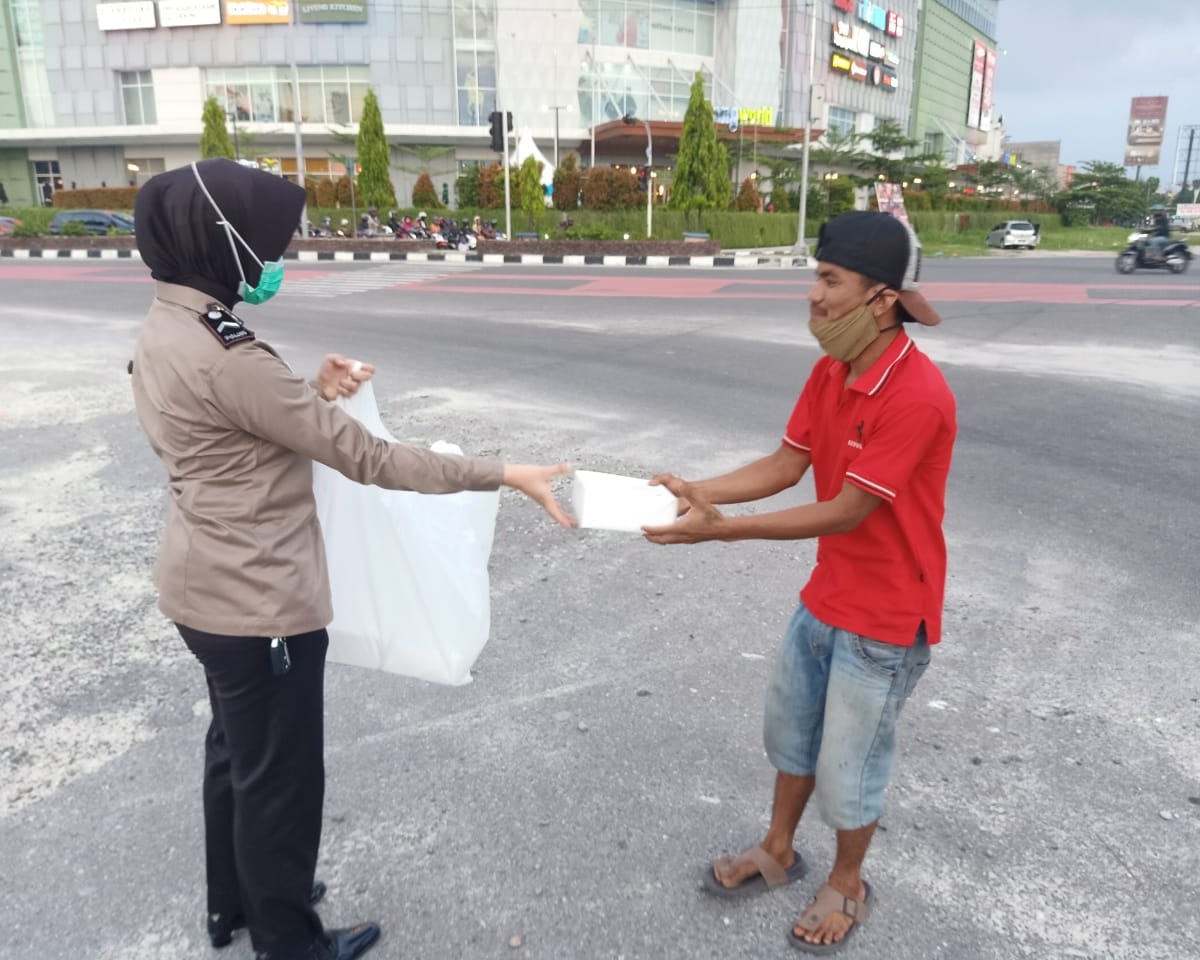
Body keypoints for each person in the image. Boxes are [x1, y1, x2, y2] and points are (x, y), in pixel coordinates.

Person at [129, 158, 574, 960]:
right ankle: (288, 941)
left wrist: (307, 392)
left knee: (235, 754)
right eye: (265, 245)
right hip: (259, 603)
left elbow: (233, 418)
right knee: (280, 784)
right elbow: (372, 460)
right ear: (217, 240)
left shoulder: (171, 323)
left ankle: (236, 904)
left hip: (200, 589)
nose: (275, 259)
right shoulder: (228, 353)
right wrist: (505, 475)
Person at [643, 211, 957, 954]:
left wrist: (723, 530)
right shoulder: (831, 371)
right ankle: (779, 849)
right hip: (826, 599)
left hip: (887, 617)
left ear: (880, 299)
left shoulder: (918, 394)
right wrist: (699, 489)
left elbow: (848, 509)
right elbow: (786, 465)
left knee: (850, 766)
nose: (812, 295)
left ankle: (848, 883)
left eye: (828, 280)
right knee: (791, 737)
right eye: (815, 277)